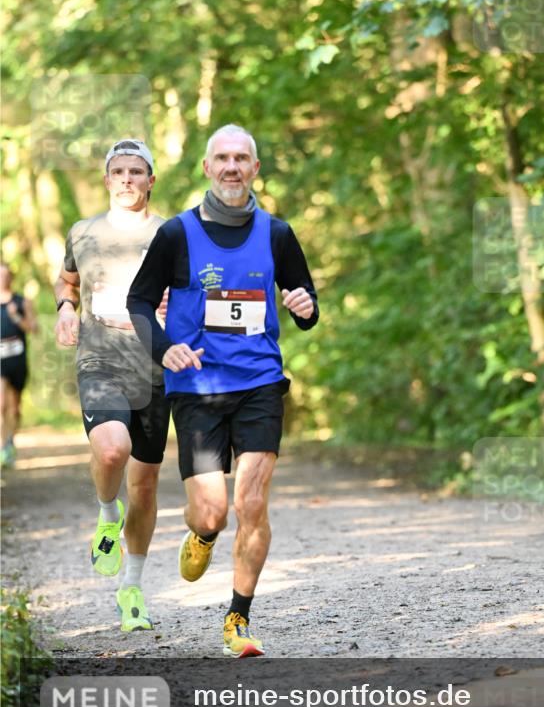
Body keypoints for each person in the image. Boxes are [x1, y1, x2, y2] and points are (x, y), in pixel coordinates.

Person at [127, 123, 318, 658]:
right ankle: (204, 535)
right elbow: (139, 302)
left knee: (251, 502)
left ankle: (238, 617)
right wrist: (164, 348)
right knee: (211, 511)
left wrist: (306, 307)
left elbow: (304, 297)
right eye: (222, 158)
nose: (232, 167)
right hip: (196, 388)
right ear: (207, 168)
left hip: (259, 382)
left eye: (242, 158)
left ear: (255, 168)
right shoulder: (177, 235)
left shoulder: (277, 233)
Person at [54, 139, 171, 633]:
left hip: (156, 370)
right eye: (118, 171)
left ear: (150, 180)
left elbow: (198, 288)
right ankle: (107, 513)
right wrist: (65, 308)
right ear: (106, 179)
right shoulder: (83, 231)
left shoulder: (173, 233)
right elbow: (67, 281)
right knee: (110, 451)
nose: (127, 179)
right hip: (100, 361)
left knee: (144, 487)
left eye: (136, 171)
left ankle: (133, 588)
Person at [0, 263, 38, 467]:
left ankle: (9, 442)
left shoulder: (22, 302)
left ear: (11, 278)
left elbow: (34, 328)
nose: (2, 279)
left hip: (17, 360)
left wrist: (16, 316)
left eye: (5, 275)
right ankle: (2, 447)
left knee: (14, 409)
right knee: (1, 404)